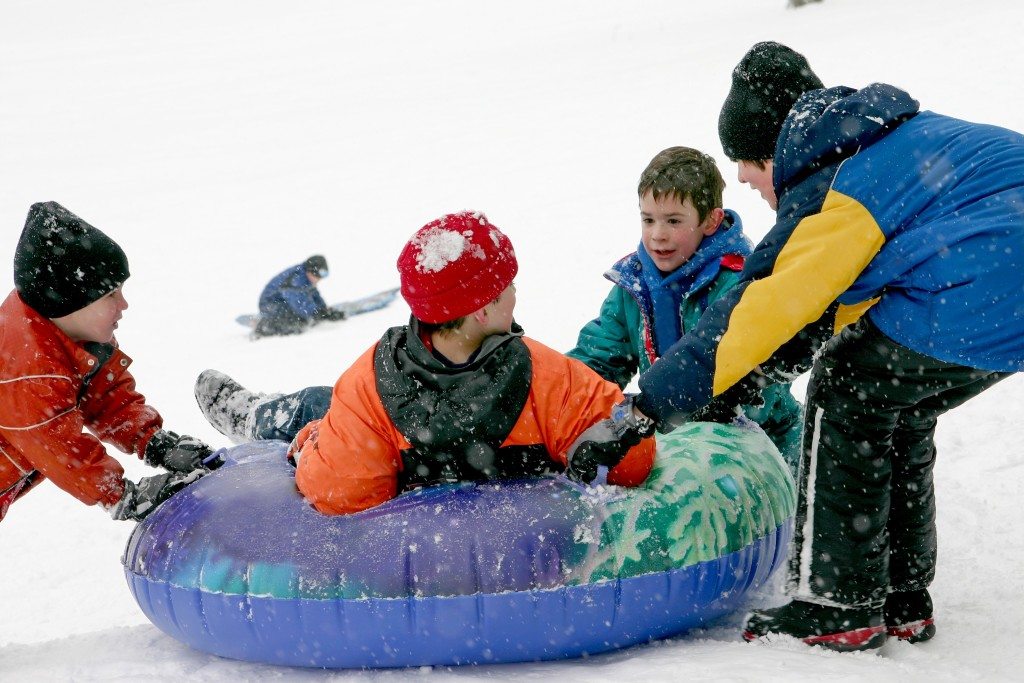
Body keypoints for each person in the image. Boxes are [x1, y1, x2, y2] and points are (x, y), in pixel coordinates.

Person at [568, 40, 1024, 651]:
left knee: (847, 389)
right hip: (1002, 279)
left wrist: (645, 410)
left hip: (988, 273)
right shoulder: (878, 145)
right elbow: (820, 312)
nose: (748, 185)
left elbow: (757, 310)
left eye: (747, 170)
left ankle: (837, 604)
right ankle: (900, 595)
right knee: (897, 402)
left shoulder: (834, 183)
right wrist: (736, 388)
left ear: (771, 151)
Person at [195, 211, 655, 515]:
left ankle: (269, 416)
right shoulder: (551, 378)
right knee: (326, 411)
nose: (516, 293)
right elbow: (630, 455)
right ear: (483, 309)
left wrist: (314, 445)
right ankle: (265, 415)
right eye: (508, 285)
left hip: (365, 423)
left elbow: (340, 492)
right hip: (364, 423)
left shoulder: (368, 386)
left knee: (322, 409)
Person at [567, 146, 802, 472]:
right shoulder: (634, 284)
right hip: (677, 444)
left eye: (673, 221)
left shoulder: (739, 282)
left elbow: (764, 382)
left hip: (763, 445)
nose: (657, 235)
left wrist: (707, 409)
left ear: (710, 220)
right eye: (648, 219)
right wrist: (567, 401)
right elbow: (601, 354)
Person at [0, 202, 216, 525]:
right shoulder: (29, 373)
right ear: (69, 302)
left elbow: (104, 395)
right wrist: (122, 495)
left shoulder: (69, 330)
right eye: (110, 295)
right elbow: (60, 448)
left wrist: (152, 441)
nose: (124, 304)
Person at [253, 254, 346, 337]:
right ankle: (265, 326)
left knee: (305, 318)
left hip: (285, 303)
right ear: (310, 271)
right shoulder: (296, 279)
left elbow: (313, 294)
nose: (319, 279)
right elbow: (298, 302)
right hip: (270, 304)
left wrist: (324, 309)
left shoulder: (307, 278)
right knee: (299, 324)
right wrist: (317, 313)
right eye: (318, 276)